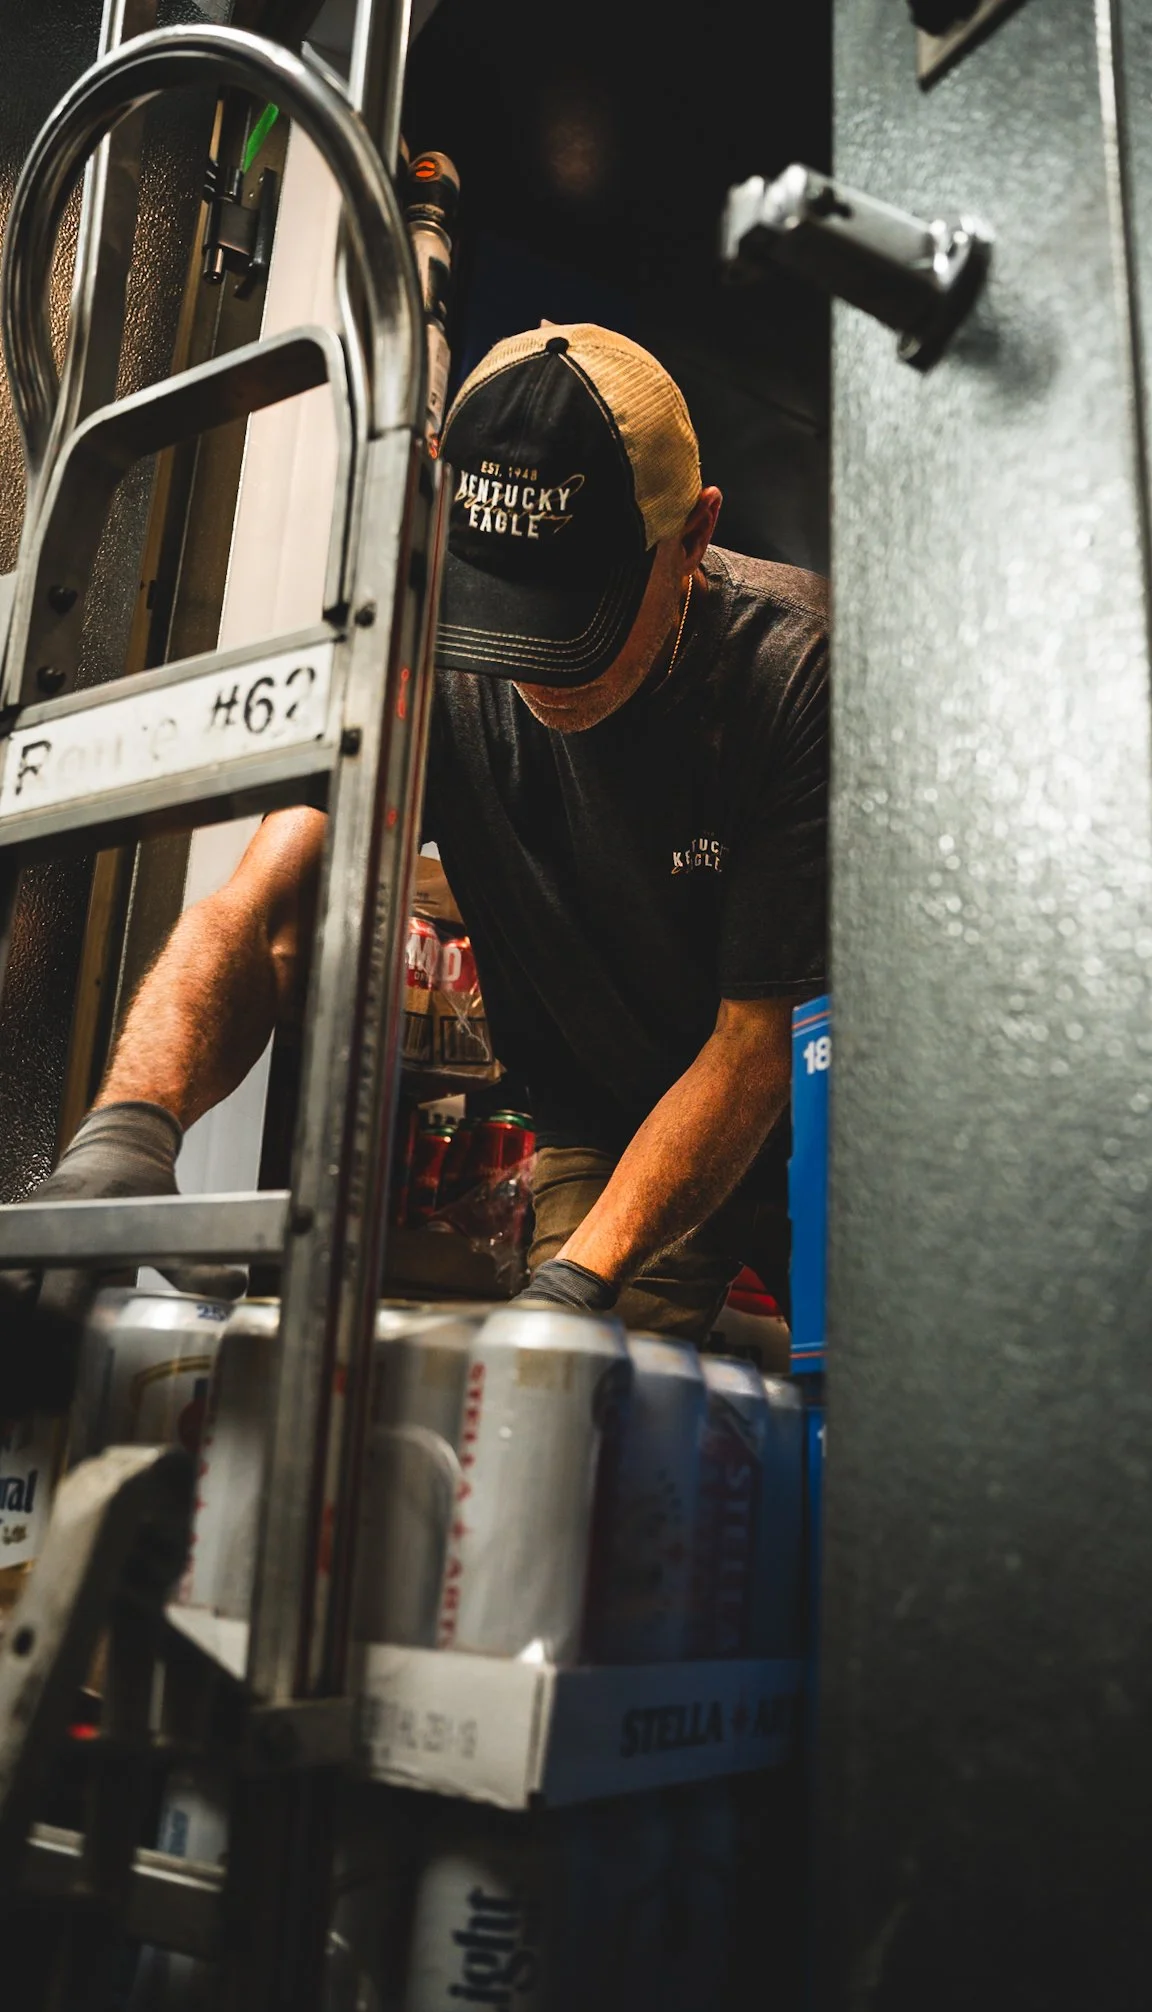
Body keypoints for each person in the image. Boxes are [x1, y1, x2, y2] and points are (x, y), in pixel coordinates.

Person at [14, 323, 828, 1347]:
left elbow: (752, 1041)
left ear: (694, 536)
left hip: (821, 1095)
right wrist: (131, 1123)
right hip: (606, 1105)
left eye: (577, 613)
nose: (536, 667)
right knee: (564, 1406)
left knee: (889, 1410)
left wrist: (576, 1279)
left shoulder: (794, 669)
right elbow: (268, 902)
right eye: (509, 610)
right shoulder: (431, 647)